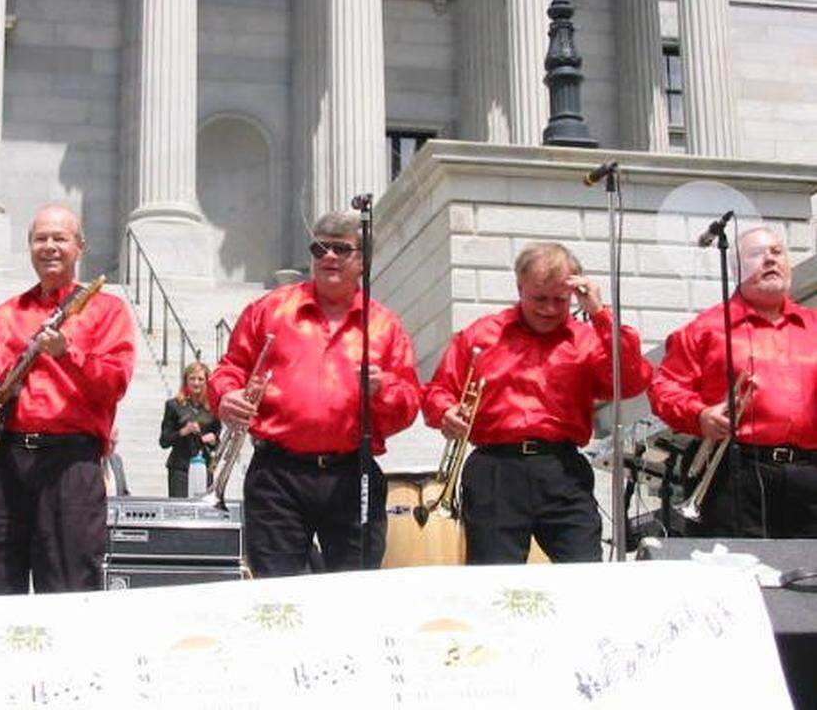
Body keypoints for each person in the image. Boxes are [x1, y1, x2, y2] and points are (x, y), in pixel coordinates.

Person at [209, 211, 420, 577]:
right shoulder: (269, 309)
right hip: (278, 472)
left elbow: (408, 406)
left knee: (355, 589)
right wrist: (226, 395)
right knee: (277, 592)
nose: (329, 257)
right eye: (319, 248)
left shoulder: (384, 325)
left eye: (341, 249)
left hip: (352, 474)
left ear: (363, 260)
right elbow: (230, 368)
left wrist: (382, 389)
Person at [422, 242, 652, 565]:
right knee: (495, 581)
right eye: (539, 298)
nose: (548, 309)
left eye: (560, 300)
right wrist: (446, 412)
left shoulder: (587, 339)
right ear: (520, 288)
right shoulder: (482, 335)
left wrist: (600, 314)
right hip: (495, 470)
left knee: (585, 573)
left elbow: (630, 382)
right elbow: (437, 390)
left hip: (561, 469)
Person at [0, 204, 136, 594]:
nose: (49, 246)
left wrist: (67, 352)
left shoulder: (106, 310)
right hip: (4, 459)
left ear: (80, 247)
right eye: (40, 238)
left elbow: (115, 382)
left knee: (69, 586)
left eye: (60, 238)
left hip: (69, 463)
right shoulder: (6, 314)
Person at [649, 227, 817, 538]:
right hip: (733, 472)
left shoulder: (814, 325)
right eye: (756, 255)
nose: (769, 260)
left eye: (777, 253)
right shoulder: (705, 329)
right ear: (735, 269)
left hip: (809, 473)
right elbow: (664, 389)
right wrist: (700, 415)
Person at [159, 361, 221, 497]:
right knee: (180, 512)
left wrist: (213, 440)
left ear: (206, 382)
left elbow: (218, 442)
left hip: (205, 467)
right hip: (180, 468)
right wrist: (183, 431)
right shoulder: (173, 405)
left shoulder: (214, 408)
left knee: (203, 512)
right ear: (186, 381)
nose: (196, 383)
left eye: (200, 379)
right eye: (192, 379)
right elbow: (164, 441)